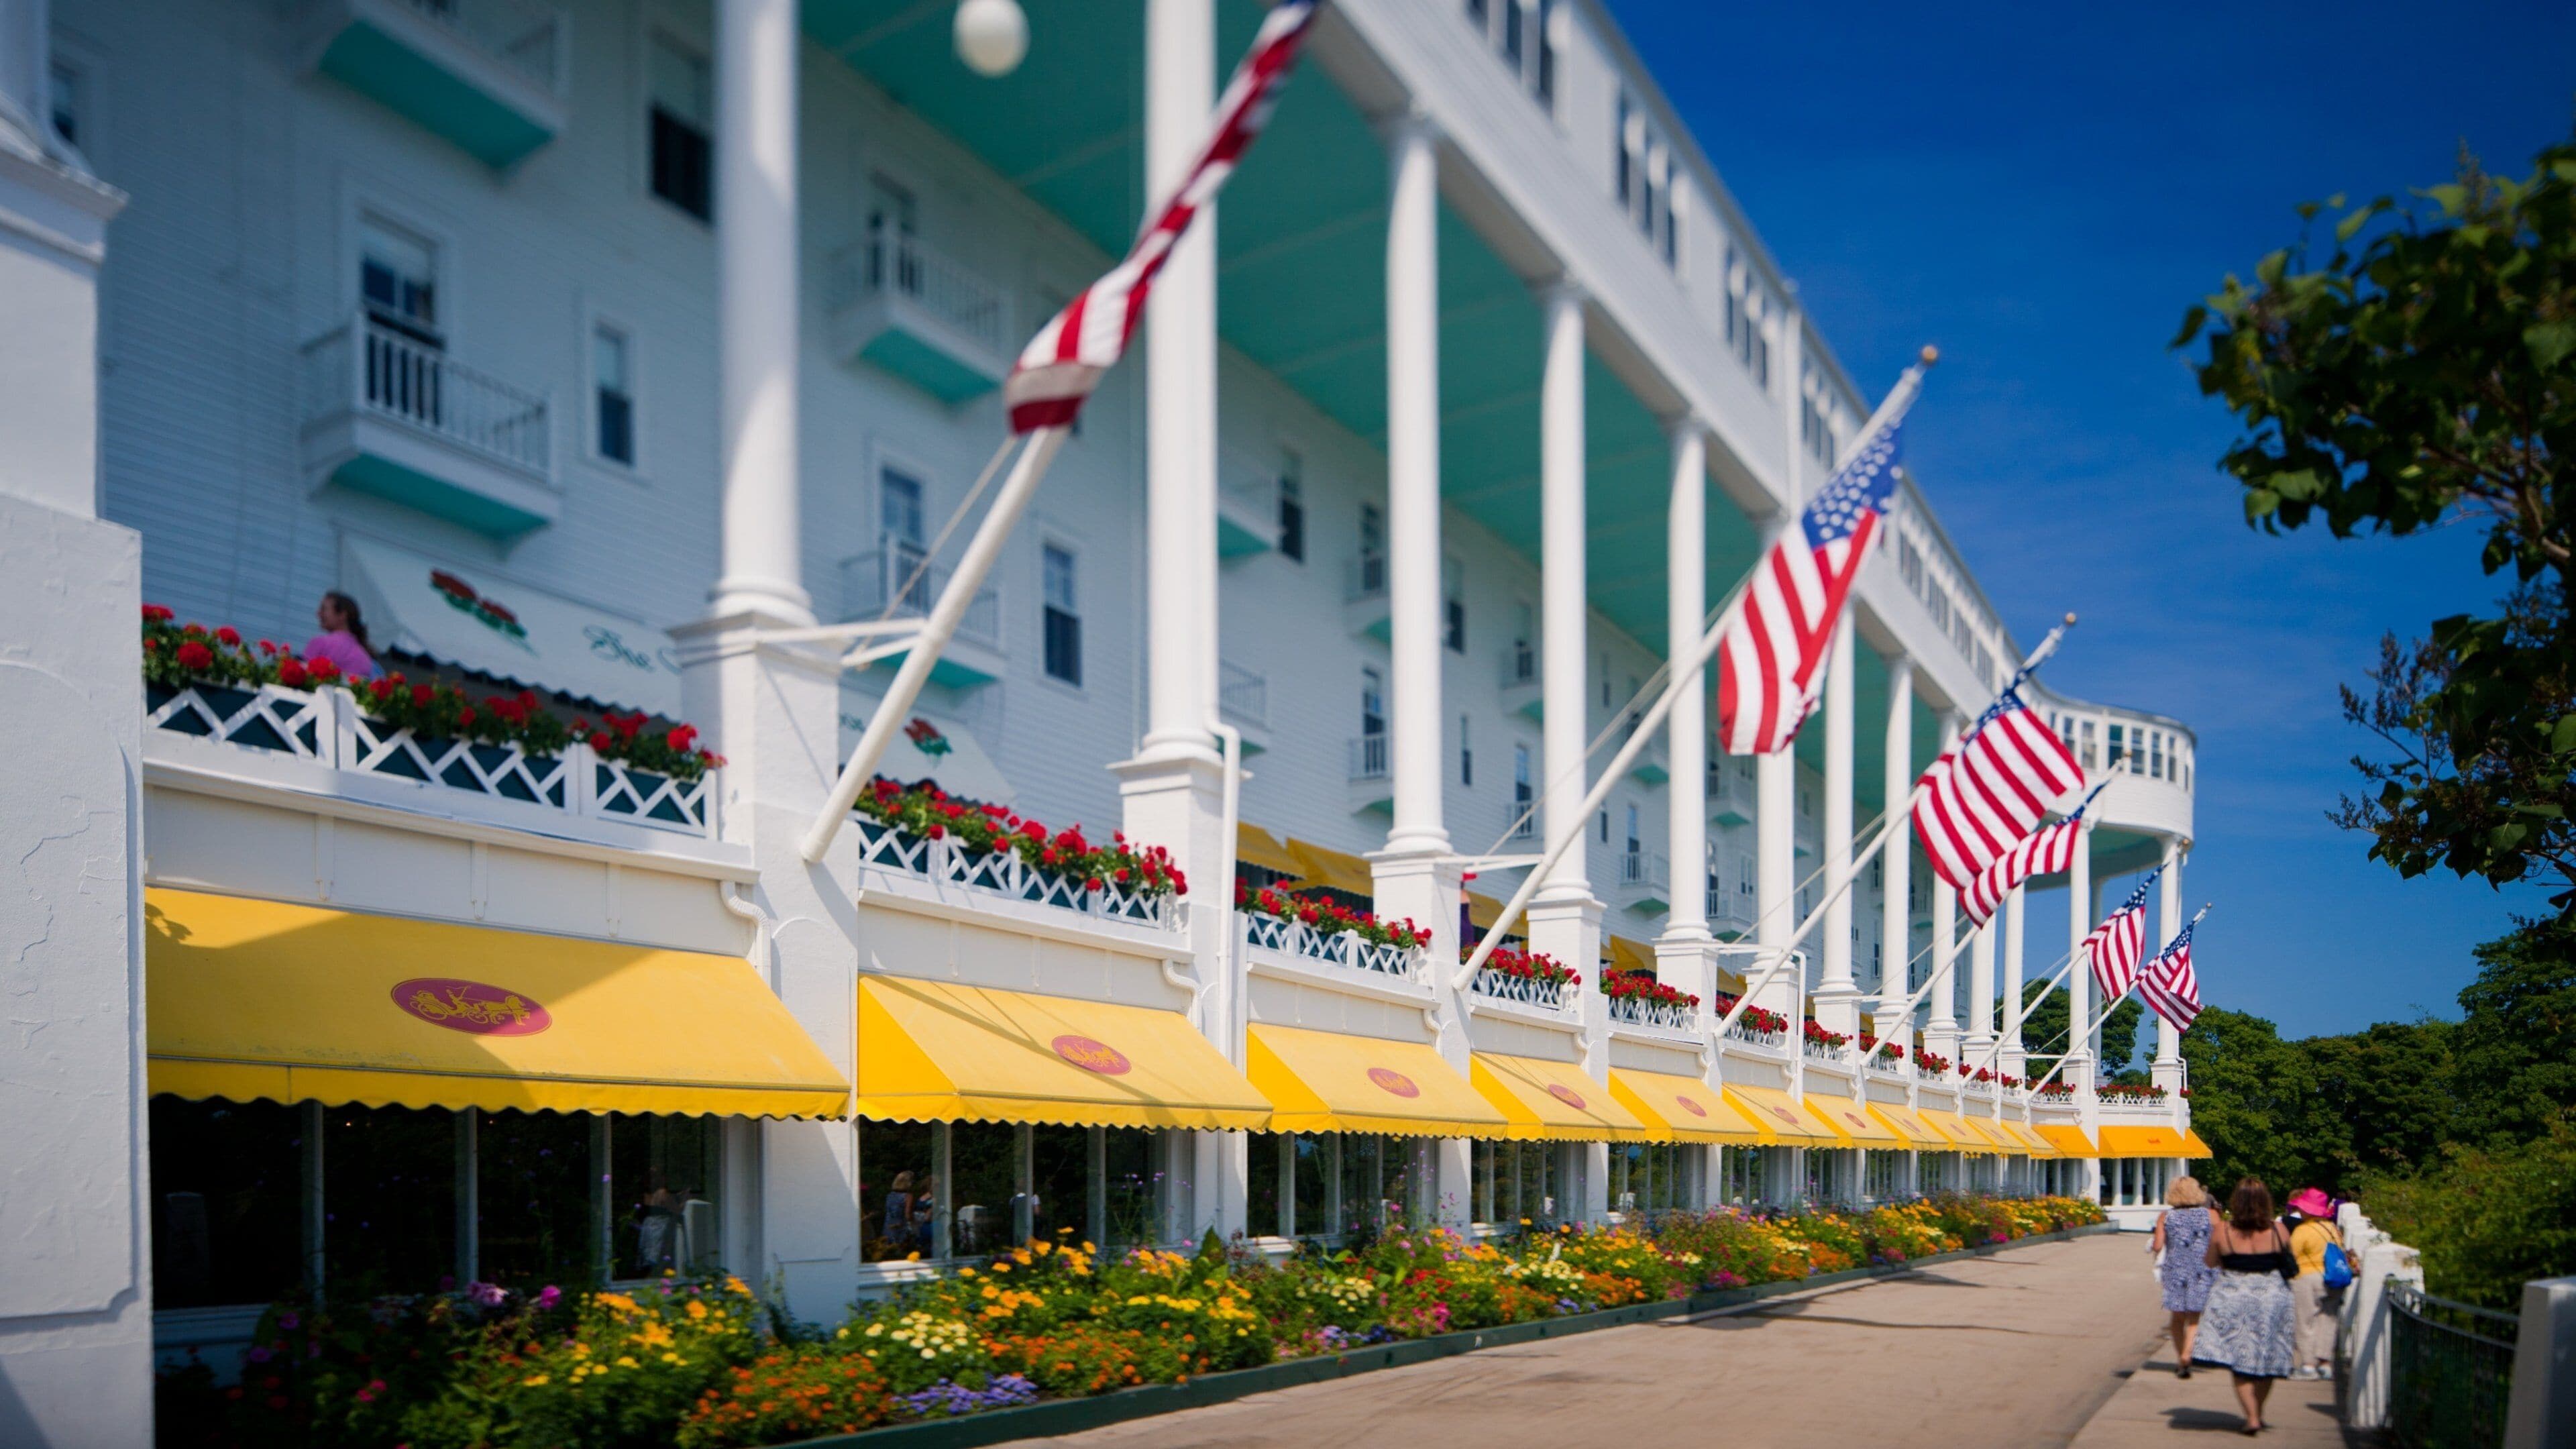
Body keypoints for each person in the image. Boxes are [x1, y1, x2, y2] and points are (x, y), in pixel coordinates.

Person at [2198, 1177, 2300, 1434]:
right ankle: (2258, 1412)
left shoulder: (2223, 1230)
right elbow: (2289, 1261)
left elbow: (2209, 1262)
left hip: (2233, 1296)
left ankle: (2252, 1417)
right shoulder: (2279, 1230)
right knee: (2267, 1358)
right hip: (2272, 1298)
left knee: (2239, 1357)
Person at [2152, 1175, 2218, 1377]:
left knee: (2177, 1317)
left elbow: (2158, 1245)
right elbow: (2219, 1242)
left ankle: (2181, 1358)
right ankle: (2188, 1354)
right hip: (2203, 1269)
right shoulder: (2211, 1215)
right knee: (2195, 1317)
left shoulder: (2166, 1217)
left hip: (2176, 1270)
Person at [2286, 1187, 2347, 1380]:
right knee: (2327, 1320)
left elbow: (2291, 1255)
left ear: (2307, 1210)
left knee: (2305, 1321)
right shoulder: (2333, 1229)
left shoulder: (2303, 1230)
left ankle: (2309, 1365)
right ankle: (2325, 1364)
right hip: (2333, 1279)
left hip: (2307, 1278)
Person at [303, 590, 378, 680]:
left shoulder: (320, 643)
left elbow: (302, 676)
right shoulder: (365, 658)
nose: (318, 613)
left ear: (342, 615)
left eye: (324, 609)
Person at [881, 1169, 918, 1254]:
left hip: (888, 1227)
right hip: (901, 1228)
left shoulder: (889, 1196)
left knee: (889, 1253)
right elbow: (908, 1215)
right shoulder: (908, 1196)